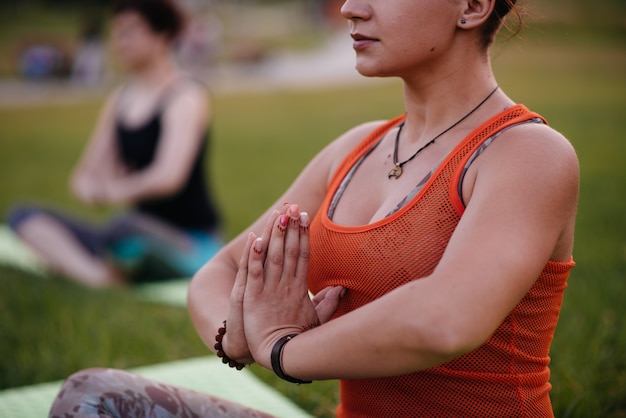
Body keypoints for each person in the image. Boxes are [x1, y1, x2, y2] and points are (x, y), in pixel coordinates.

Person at [49, 0, 579, 416]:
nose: (349, 7)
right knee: (91, 398)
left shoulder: (527, 154)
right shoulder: (353, 151)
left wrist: (284, 349)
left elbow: (445, 320)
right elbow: (222, 270)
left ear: (472, 7)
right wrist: (235, 335)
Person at [8, 0, 222, 287]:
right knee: (24, 216)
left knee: (123, 228)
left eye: (129, 32)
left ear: (161, 36)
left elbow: (169, 177)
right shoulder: (120, 100)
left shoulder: (185, 96)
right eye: (117, 32)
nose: (119, 42)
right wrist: (97, 189)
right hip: (131, 232)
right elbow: (84, 177)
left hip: (189, 241)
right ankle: (97, 277)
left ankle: (97, 266)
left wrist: (110, 190)